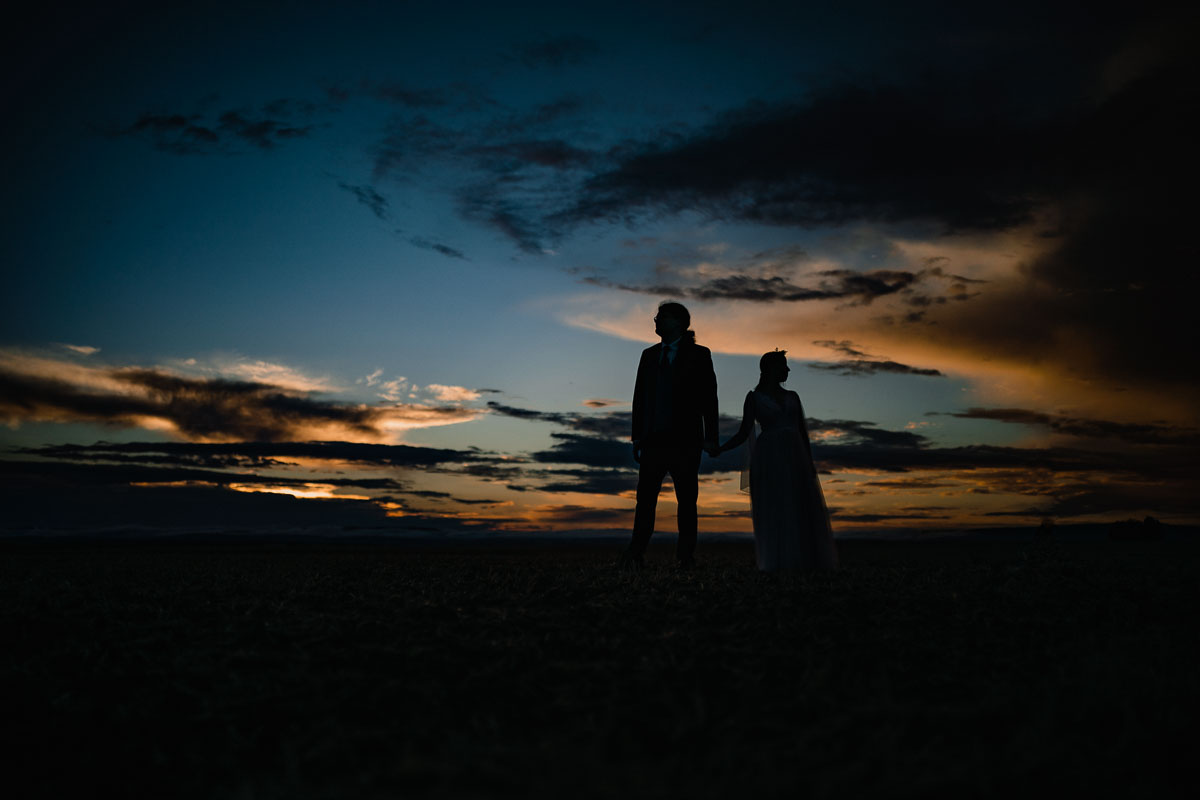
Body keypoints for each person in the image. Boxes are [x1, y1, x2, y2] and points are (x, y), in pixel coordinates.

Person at [715, 350, 837, 571]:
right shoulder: (753, 398)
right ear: (771, 369)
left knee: (798, 503)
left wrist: (809, 464)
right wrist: (720, 449)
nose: (788, 370)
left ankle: (805, 559)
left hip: (795, 455)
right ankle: (778, 559)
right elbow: (744, 433)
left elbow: (802, 432)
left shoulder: (793, 397)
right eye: (784, 366)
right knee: (776, 504)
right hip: (769, 456)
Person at [620, 301, 719, 570]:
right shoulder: (648, 355)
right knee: (645, 501)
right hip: (653, 440)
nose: (655, 321)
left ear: (677, 322)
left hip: (686, 441)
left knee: (687, 501)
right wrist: (637, 436)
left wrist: (711, 437)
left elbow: (709, 398)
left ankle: (685, 556)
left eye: (660, 317)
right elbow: (639, 398)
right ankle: (635, 552)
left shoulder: (700, 354)